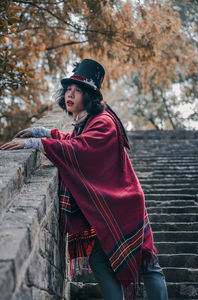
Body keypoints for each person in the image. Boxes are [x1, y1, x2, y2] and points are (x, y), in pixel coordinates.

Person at [0, 59, 168, 300]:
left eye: (78, 90)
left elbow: (81, 148)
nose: (70, 95)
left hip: (125, 205)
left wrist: (36, 143)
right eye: (68, 89)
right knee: (100, 260)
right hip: (117, 204)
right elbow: (73, 139)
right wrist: (44, 132)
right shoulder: (89, 121)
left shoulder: (104, 122)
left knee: (147, 263)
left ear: (89, 95)